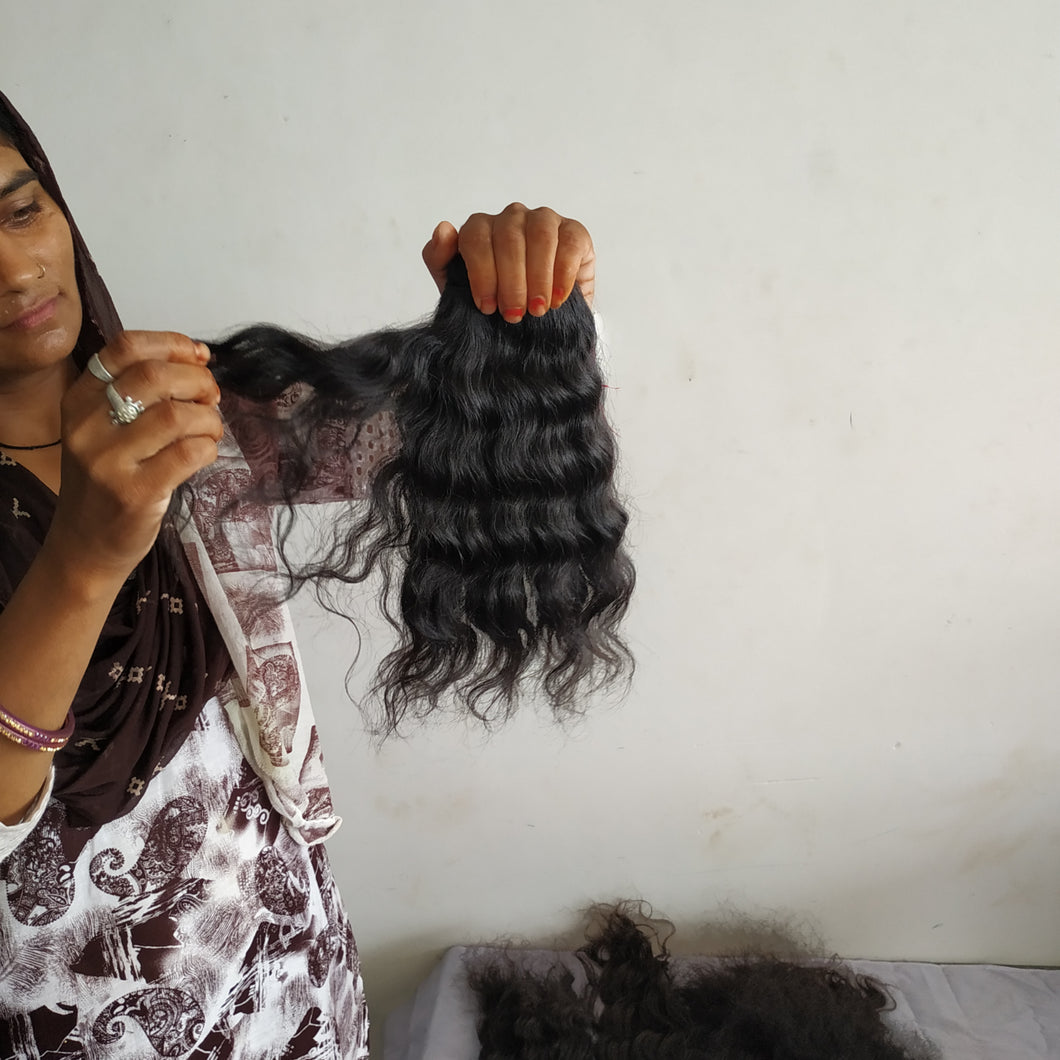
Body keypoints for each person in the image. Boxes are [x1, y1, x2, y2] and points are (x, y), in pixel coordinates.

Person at [0, 91, 598, 1059]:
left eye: (22, 209)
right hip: (81, 1021)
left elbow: (418, 441)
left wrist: (518, 321)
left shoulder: (182, 412)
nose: (16, 266)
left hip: (292, 981)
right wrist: (83, 560)